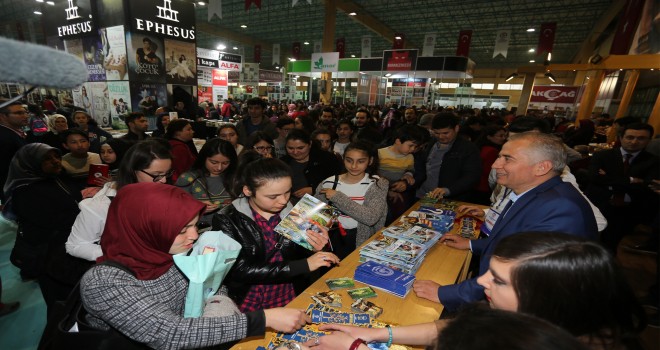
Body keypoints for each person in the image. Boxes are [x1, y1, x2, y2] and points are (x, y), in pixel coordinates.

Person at [304, 233, 644, 350]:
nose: (481, 282)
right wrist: (378, 330)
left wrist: (354, 346)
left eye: (497, 280)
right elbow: (458, 327)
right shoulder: (533, 318)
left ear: (548, 298)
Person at [80, 182, 311, 349]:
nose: (193, 236)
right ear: (145, 230)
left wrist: (213, 317)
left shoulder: (173, 251)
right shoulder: (105, 282)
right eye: (181, 230)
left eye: (195, 225)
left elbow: (214, 283)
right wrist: (263, 319)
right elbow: (168, 333)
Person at [413, 132, 598, 311]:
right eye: (499, 157)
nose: (495, 165)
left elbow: (518, 275)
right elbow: (514, 240)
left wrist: (446, 294)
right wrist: (471, 244)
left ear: (542, 167)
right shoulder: (534, 194)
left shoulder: (560, 209)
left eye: (507, 159)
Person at [211, 158, 340, 312]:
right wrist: (304, 264)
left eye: (287, 192)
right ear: (248, 191)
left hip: (289, 290)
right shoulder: (227, 219)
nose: (283, 201)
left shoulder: (297, 209)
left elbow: (296, 253)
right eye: (273, 197)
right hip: (248, 296)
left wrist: (314, 247)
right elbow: (237, 270)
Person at [3, 144, 84, 313]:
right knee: (61, 303)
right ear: (30, 163)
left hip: (69, 248)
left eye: (56, 157)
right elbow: (54, 220)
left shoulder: (57, 178)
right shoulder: (25, 191)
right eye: (47, 159)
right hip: (49, 255)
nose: (55, 162)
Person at [66, 140, 173, 262]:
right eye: (156, 174)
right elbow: (75, 246)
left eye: (167, 173)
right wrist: (124, 255)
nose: (164, 180)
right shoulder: (102, 205)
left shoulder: (161, 193)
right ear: (133, 171)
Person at [586, 123, 659, 253]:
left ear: (648, 140)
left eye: (641, 138)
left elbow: (647, 187)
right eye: (630, 137)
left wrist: (609, 178)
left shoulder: (654, 161)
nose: (634, 141)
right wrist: (631, 180)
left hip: (628, 210)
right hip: (599, 203)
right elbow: (593, 178)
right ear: (621, 137)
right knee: (586, 240)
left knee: (610, 246)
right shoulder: (602, 155)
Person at [315, 141, 388, 259]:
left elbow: (371, 218)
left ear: (370, 161)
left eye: (361, 161)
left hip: (361, 237)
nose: (354, 166)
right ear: (343, 159)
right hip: (333, 237)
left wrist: (337, 197)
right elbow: (315, 215)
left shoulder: (377, 183)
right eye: (349, 160)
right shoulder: (329, 182)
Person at [415, 113, 481, 202]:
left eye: (445, 133)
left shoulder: (468, 148)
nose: (441, 137)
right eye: (437, 133)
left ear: (456, 128)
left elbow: (472, 176)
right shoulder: (430, 143)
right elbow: (421, 165)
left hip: (450, 199)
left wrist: (448, 190)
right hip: (422, 195)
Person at [175, 138, 237, 226]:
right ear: (204, 158)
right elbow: (175, 207)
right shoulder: (188, 178)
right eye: (214, 162)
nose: (219, 167)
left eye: (225, 163)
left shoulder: (235, 178)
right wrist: (195, 207)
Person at [378, 125, 424, 224]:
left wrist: (408, 174)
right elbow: (374, 174)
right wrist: (387, 190)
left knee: (397, 218)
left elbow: (410, 169)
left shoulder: (410, 157)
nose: (413, 149)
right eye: (410, 145)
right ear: (398, 141)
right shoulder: (380, 153)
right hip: (380, 192)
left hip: (398, 192)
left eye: (415, 146)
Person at [281, 129, 341, 203]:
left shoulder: (327, 159)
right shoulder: (282, 163)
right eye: (290, 148)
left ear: (310, 144)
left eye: (300, 148)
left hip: (320, 205)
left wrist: (314, 189)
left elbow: (339, 183)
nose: (295, 152)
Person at [0, 100, 29, 204]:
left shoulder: (13, 134)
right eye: (19, 113)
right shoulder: (5, 138)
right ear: (3, 116)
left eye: (25, 112)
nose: (25, 115)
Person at [473, 125, 507, 205]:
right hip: (484, 187)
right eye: (500, 136)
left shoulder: (480, 147)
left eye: (505, 135)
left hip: (476, 185)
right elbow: (488, 171)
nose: (504, 138)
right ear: (489, 137)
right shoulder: (492, 151)